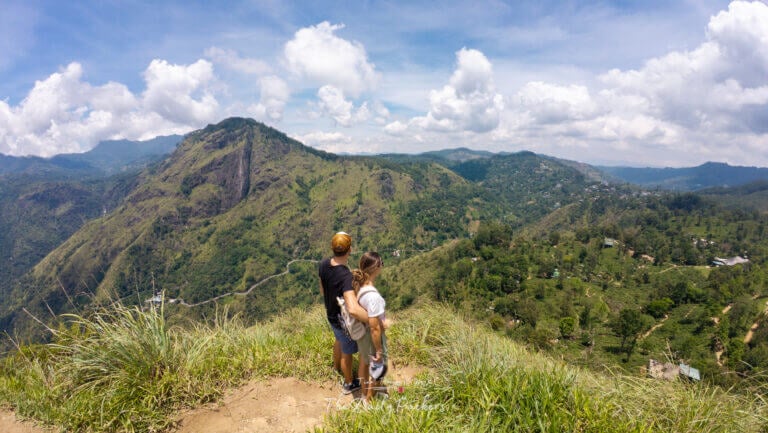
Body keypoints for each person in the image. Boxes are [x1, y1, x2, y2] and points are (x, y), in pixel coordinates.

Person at [318, 232, 369, 394]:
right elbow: (353, 309)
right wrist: (372, 319)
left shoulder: (324, 264)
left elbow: (322, 289)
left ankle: (336, 367)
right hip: (342, 320)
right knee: (347, 352)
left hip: (331, 313)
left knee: (338, 339)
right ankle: (349, 383)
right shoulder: (346, 276)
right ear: (350, 250)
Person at [351, 251, 389, 402]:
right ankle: (369, 399)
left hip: (361, 334)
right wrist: (379, 349)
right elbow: (374, 327)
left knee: (364, 362)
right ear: (376, 267)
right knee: (378, 368)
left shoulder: (359, 286)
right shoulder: (373, 297)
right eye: (382, 264)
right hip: (370, 335)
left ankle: (363, 393)